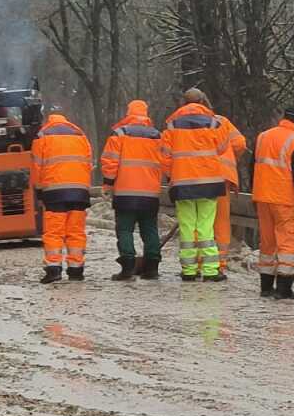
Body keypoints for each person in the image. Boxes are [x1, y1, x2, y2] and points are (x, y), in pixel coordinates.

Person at [160, 87, 229, 282]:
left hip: (182, 183)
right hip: (209, 181)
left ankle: (189, 270)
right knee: (206, 226)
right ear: (202, 101)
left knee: (187, 226)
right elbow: (223, 148)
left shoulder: (172, 126)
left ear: (183, 103)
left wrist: (171, 174)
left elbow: (164, 156)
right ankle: (210, 270)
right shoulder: (215, 123)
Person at [251, 105, 294, 299]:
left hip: (262, 196)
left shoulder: (263, 137)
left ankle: (266, 287)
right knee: (286, 243)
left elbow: (251, 166)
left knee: (267, 242)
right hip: (284, 199)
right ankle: (284, 289)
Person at [101, 99, 163, 281]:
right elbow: (167, 161)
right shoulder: (157, 136)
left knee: (125, 229)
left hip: (125, 192)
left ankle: (128, 267)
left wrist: (107, 185)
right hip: (150, 193)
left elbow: (110, 162)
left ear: (128, 113)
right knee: (150, 229)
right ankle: (152, 268)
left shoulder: (119, 134)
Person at [31, 109, 93, 283]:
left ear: (49, 122)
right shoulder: (80, 135)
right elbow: (88, 163)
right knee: (76, 232)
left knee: (54, 232)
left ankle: (54, 269)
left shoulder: (42, 136)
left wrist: (38, 190)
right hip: (80, 191)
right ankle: (76, 270)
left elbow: (37, 166)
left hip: (54, 192)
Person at [212, 108, 247, 279]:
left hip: (192, 177)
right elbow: (240, 143)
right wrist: (230, 157)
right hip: (221, 177)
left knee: (194, 219)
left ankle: (196, 262)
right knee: (220, 219)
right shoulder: (221, 121)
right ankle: (219, 263)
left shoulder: (181, 121)